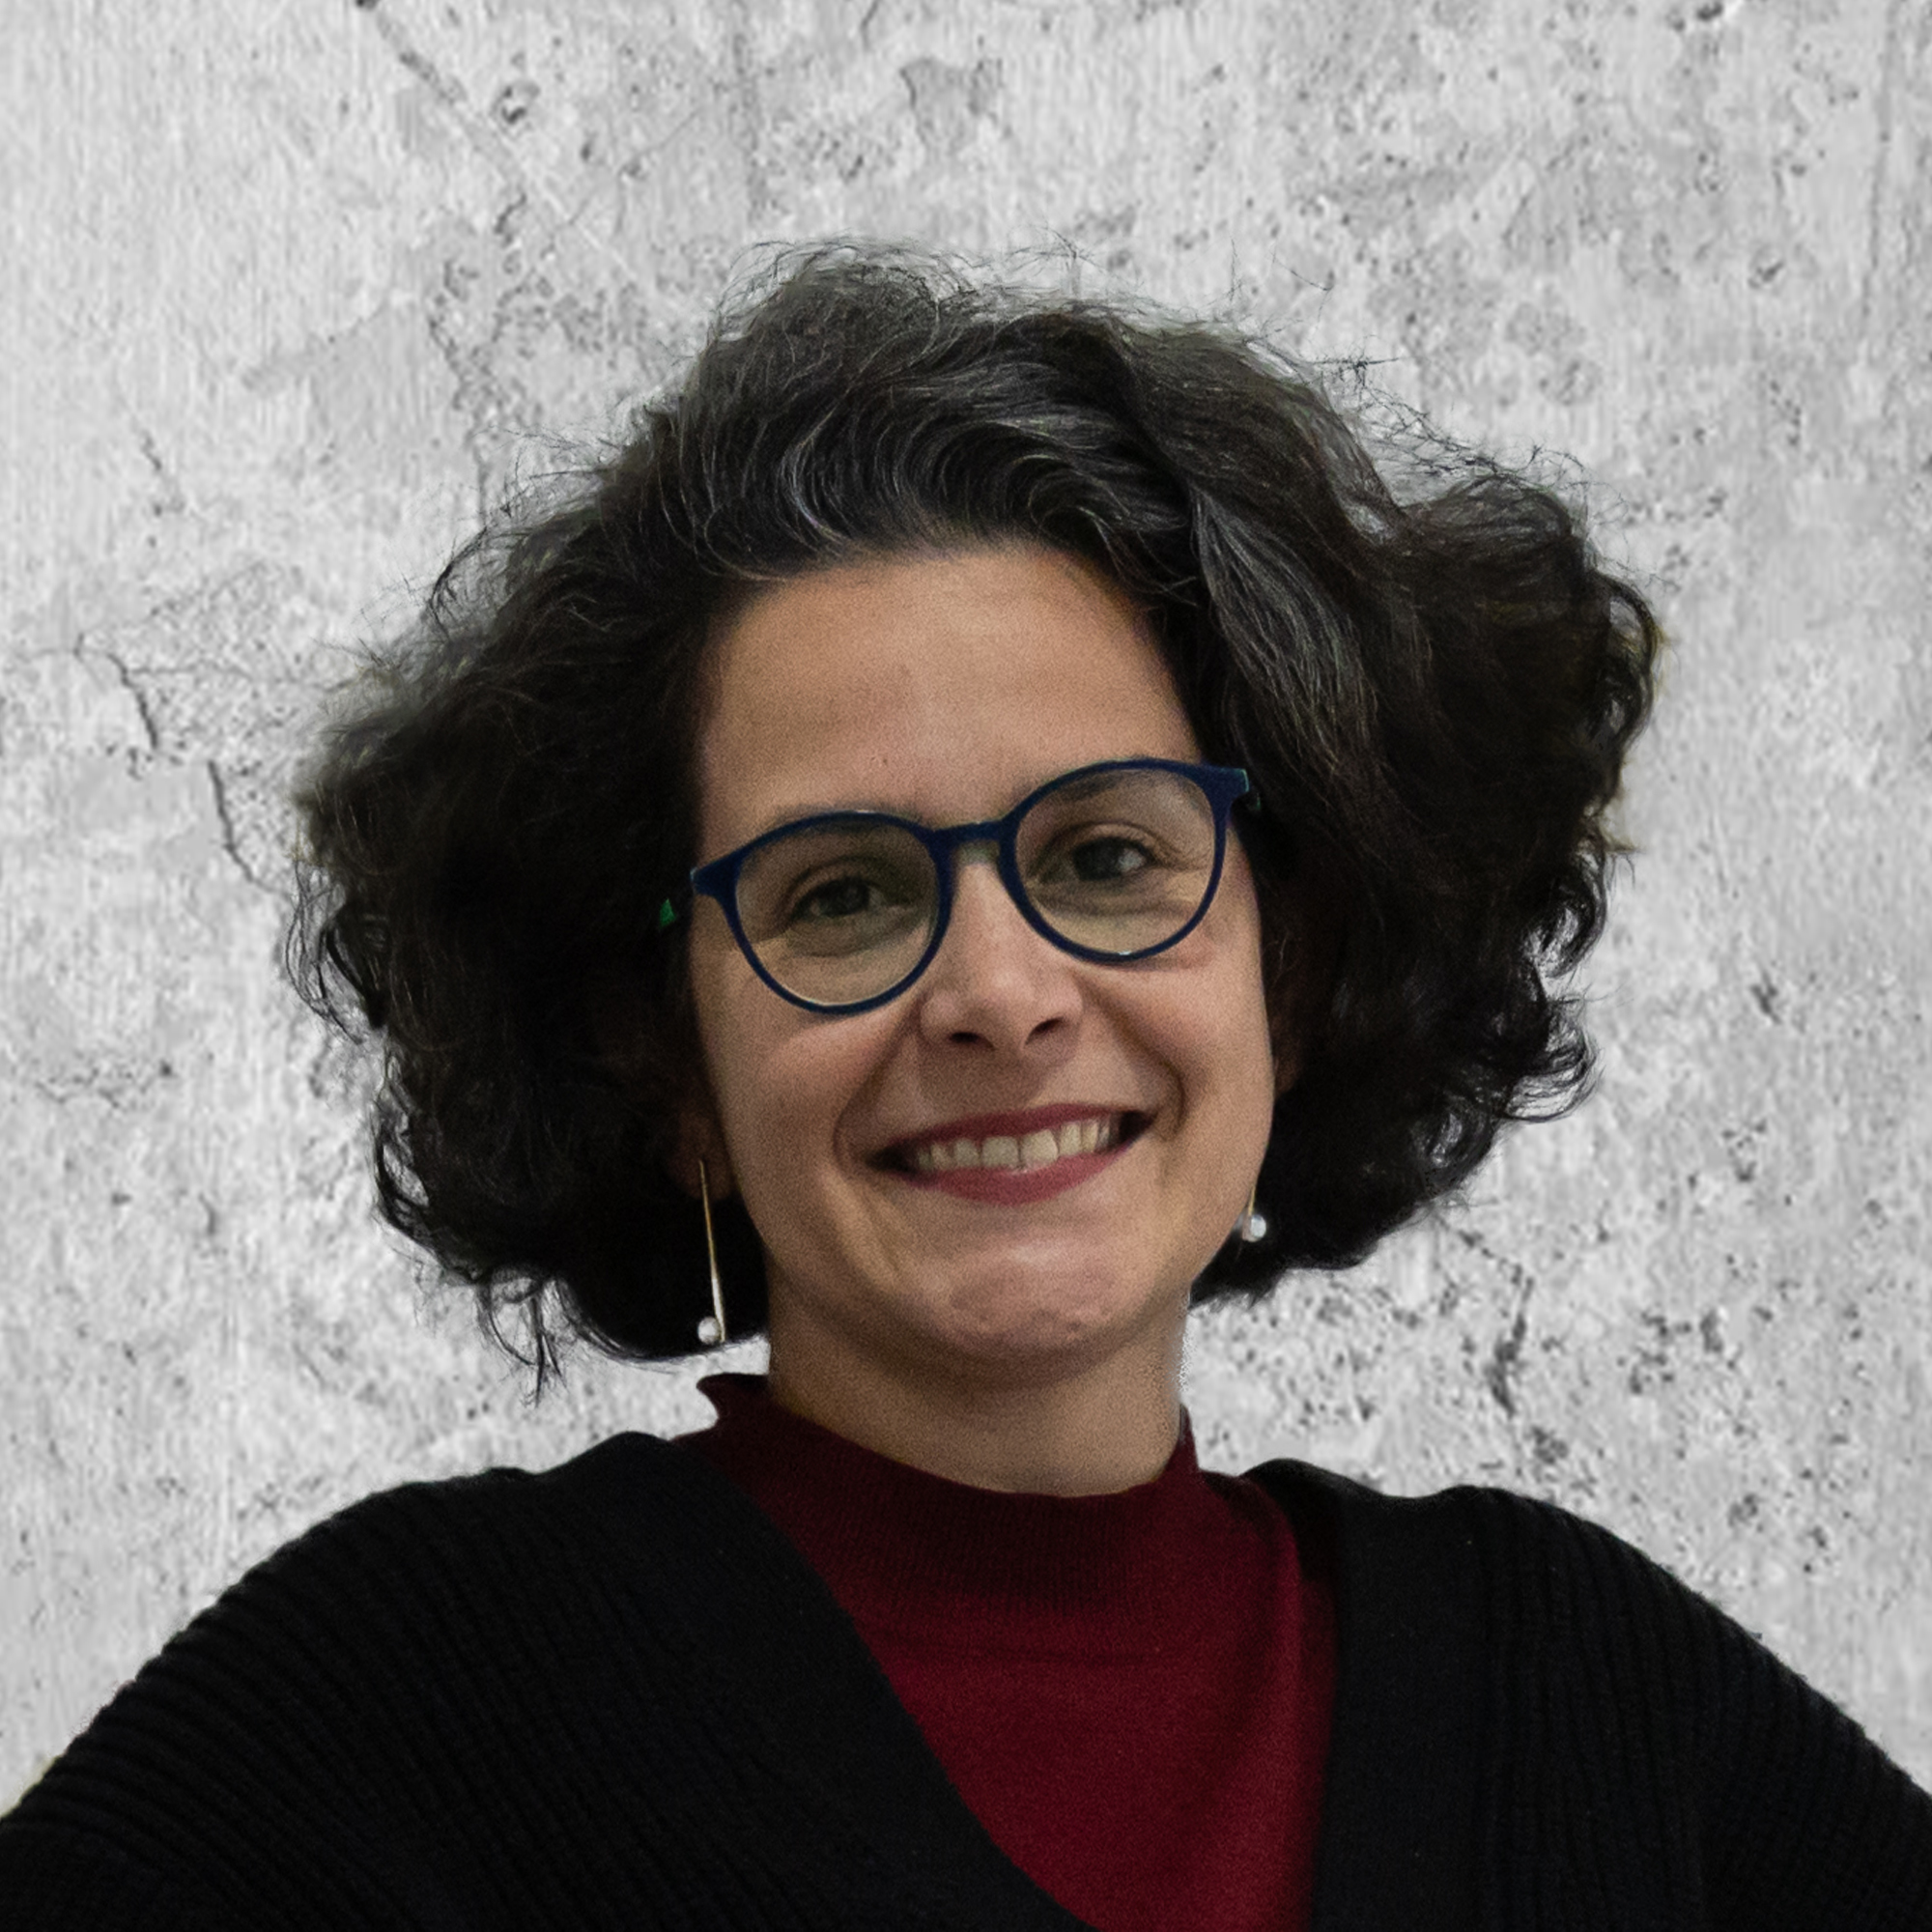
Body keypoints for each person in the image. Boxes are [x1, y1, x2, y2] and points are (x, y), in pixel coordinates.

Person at [2, 244, 1927, 1930]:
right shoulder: (406, 1707)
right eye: (841, 894)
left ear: (1291, 965)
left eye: (1108, 855)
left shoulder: (1593, 1704)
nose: (1000, 995)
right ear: (662, 1059)